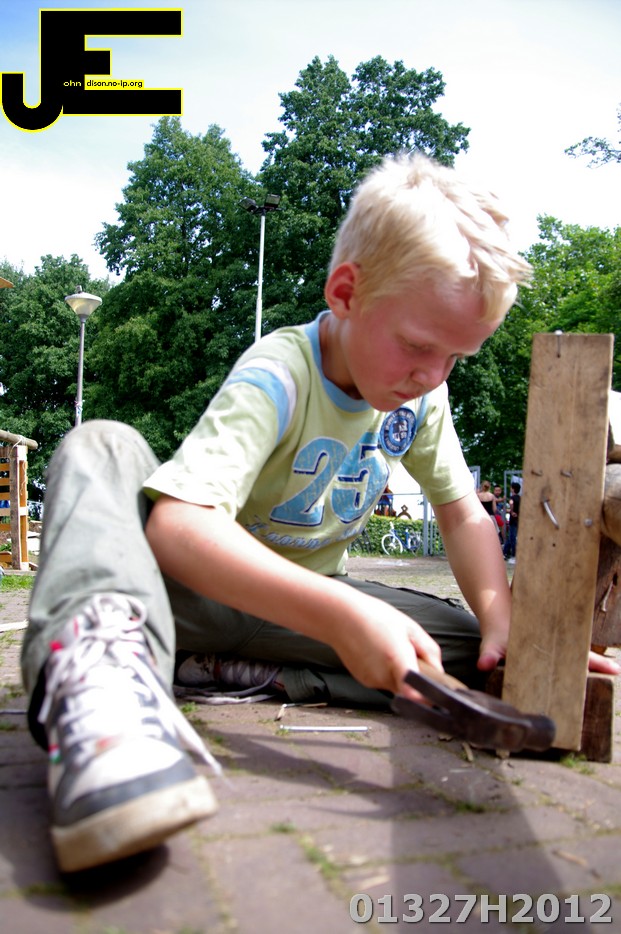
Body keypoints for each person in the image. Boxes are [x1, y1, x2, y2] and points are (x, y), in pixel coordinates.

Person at [22, 153, 619, 875]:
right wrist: (341, 616)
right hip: (185, 594)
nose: (431, 376)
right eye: (418, 346)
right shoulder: (280, 374)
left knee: (458, 653)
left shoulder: (421, 398)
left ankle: (231, 673)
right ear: (346, 292)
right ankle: (105, 707)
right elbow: (178, 528)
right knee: (101, 445)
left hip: (297, 612)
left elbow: (462, 514)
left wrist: (508, 627)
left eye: (454, 358)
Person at [504, 481, 521, 561]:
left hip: (513, 519)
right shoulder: (520, 498)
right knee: (511, 537)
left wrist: (511, 511)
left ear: (513, 489)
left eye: (511, 488)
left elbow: (511, 504)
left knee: (512, 537)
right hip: (518, 519)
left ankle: (513, 553)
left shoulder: (512, 498)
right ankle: (505, 551)